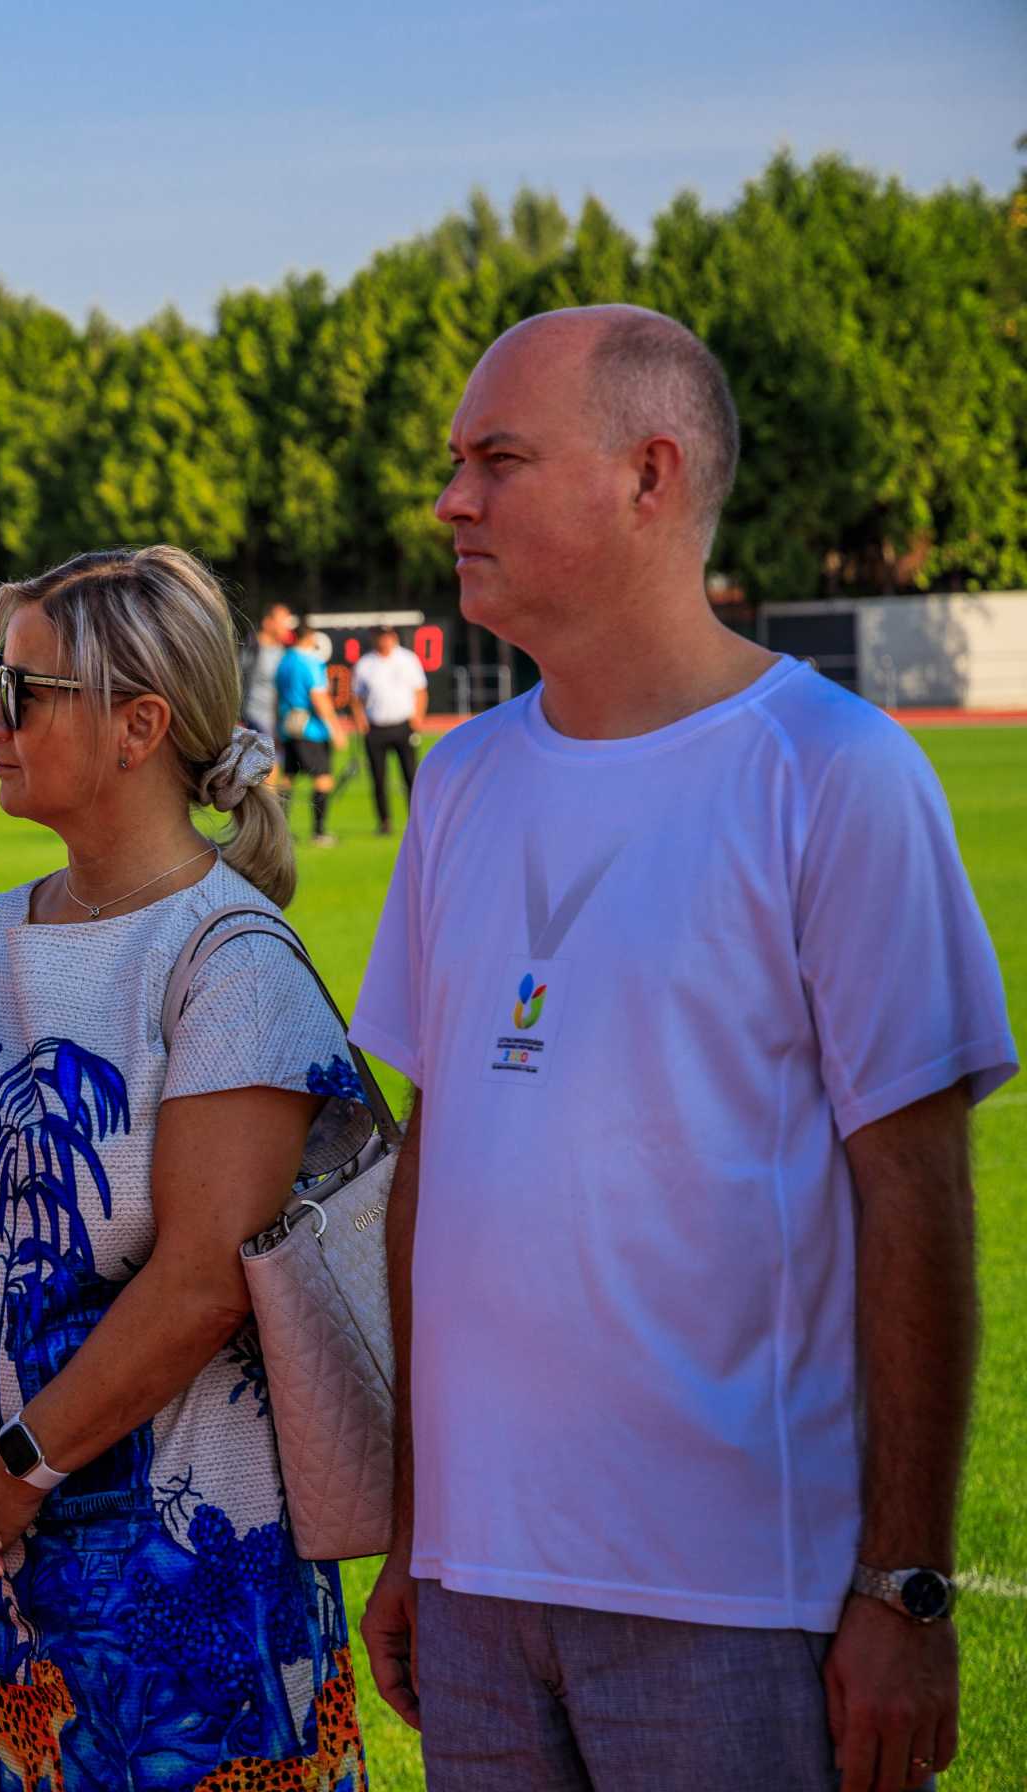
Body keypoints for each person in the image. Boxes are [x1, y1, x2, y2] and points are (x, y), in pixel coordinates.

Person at [352, 306, 1011, 1792]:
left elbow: (918, 1202)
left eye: (498, 460)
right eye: (455, 463)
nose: (452, 500)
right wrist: (415, 1530)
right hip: (475, 1587)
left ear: (648, 478)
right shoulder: (457, 783)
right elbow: (431, 1175)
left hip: (734, 1598)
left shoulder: (833, 772)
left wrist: (907, 1586)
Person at [0, 546, 373, 1792]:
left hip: (189, 1562)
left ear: (139, 725)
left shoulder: (229, 959)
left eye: (21, 692)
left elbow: (204, 1281)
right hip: (3, 1544)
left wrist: (14, 1464)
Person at [351, 624, 428, 834]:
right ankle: (385, 822)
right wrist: (360, 721)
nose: (385, 640)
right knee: (378, 778)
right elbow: (356, 698)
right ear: (373, 637)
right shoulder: (365, 664)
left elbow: (420, 690)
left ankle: (416, 821)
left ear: (394, 637)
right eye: (380, 636)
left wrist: (417, 719)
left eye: (388, 635)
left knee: (411, 775)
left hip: (403, 725)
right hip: (376, 727)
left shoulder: (408, 659)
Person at [271, 627, 343, 845]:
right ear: (310, 637)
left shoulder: (284, 661)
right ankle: (319, 832)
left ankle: (280, 830)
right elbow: (319, 696)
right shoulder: (309, 662)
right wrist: (336, 728)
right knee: (323, 778)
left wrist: (277, 728)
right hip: (311, 728)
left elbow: (276, 697)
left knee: (288, 777)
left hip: (288, 725)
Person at [243, 601, 297, 743]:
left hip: (279, 721)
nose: (287, 625)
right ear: (268, 623)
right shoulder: (252, 648)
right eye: (283, 620)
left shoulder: (283, 651)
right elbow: (236, 681)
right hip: (256, 719)